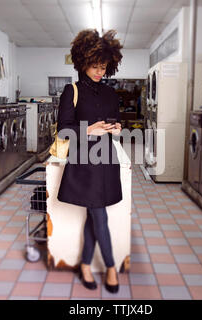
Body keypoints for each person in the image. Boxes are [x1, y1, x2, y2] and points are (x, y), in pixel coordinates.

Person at [56, 29, 124, 293]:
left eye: (103, 67)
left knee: (93, 216)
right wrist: (87, 130)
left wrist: (116, 129)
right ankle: (110, 267)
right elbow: (63, 129)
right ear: (83, 62)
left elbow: (116, 122)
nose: (99, 71)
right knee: (100, 215)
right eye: (95, 66)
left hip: (106, 161)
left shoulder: (109, 94)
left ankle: (85, 264)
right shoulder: (71, 91)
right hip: (85, 163)